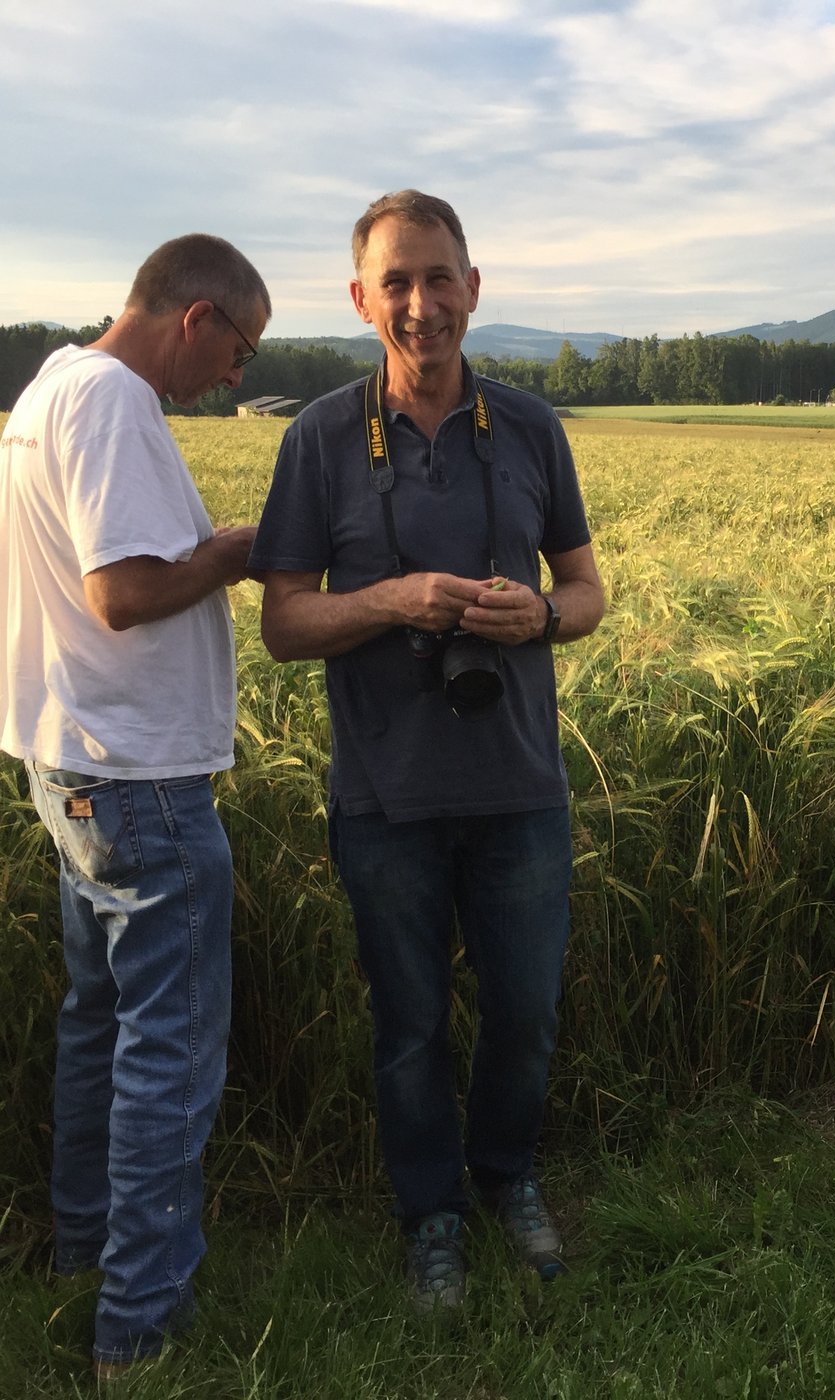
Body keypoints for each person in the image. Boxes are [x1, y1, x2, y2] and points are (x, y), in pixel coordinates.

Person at [250, 190, 605, 1308]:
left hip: (518, 785)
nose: (420, 303)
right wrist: (395, 597)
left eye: (438, 277)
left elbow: (589, 589)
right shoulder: (317, 438)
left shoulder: (533, 427)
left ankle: (506, 1175)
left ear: (473, 287)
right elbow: (282, 623)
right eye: (395, 282)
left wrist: (539, 617)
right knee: (406, 1025)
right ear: (361, 299)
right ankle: (431, 1215)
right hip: (385, 796)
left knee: (525, 1008)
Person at [0, 235, 269, 1374]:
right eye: (239, 348)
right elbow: (125, 589)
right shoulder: (112, 399)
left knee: (99, 1022)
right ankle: (138, 1329)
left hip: (73, 762)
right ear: (195, 316)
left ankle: (79, 1255)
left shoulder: (51, 385)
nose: (237, 378)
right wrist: (240, 550)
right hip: (140, 777)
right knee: (172, 1043)